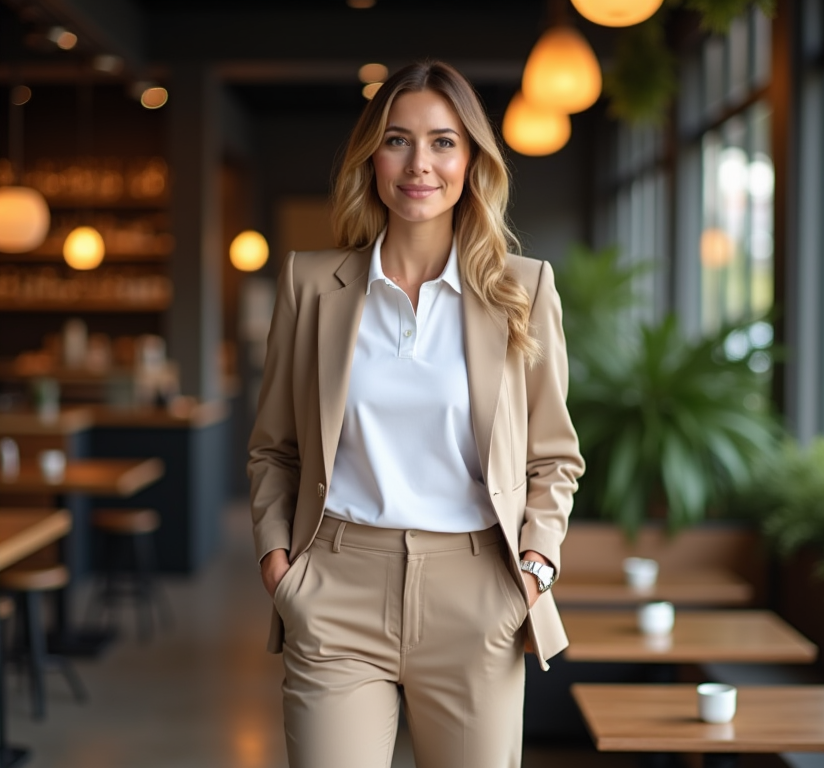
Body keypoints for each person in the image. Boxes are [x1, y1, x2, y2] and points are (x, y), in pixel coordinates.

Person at [248, 60, 585, 768]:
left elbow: (553, 455)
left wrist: (533, 567)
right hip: (335, 585)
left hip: (478, 592)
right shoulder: (311, 284)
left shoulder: (524, 289)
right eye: (398, 140)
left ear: (472, 159)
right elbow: (275, 448)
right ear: (372, 156)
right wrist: (281, 565)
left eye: (443, 142)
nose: (419, 164)